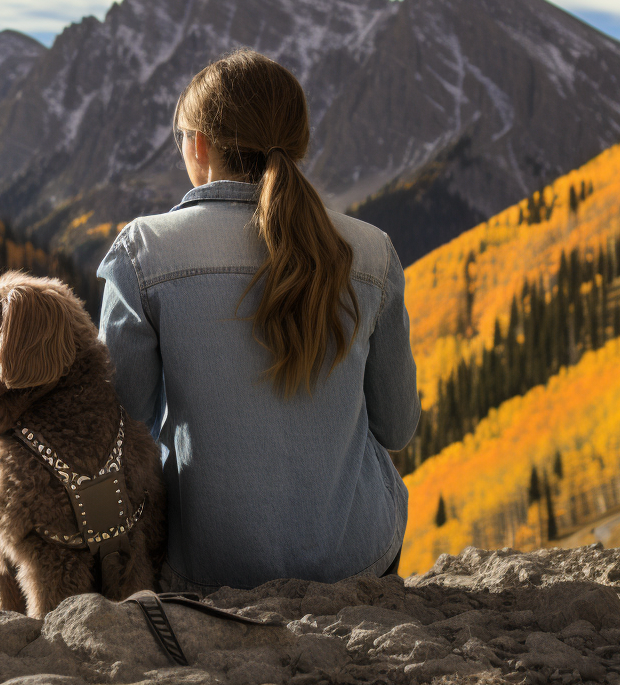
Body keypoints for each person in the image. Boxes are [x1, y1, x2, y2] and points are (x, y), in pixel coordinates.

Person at [97, 48, 420, 592]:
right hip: (358, 561)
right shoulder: (373, 253)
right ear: (298, 143)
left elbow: (123, 430)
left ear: (199, 145)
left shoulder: (141, 253)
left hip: (207, 570)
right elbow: (397, 426)